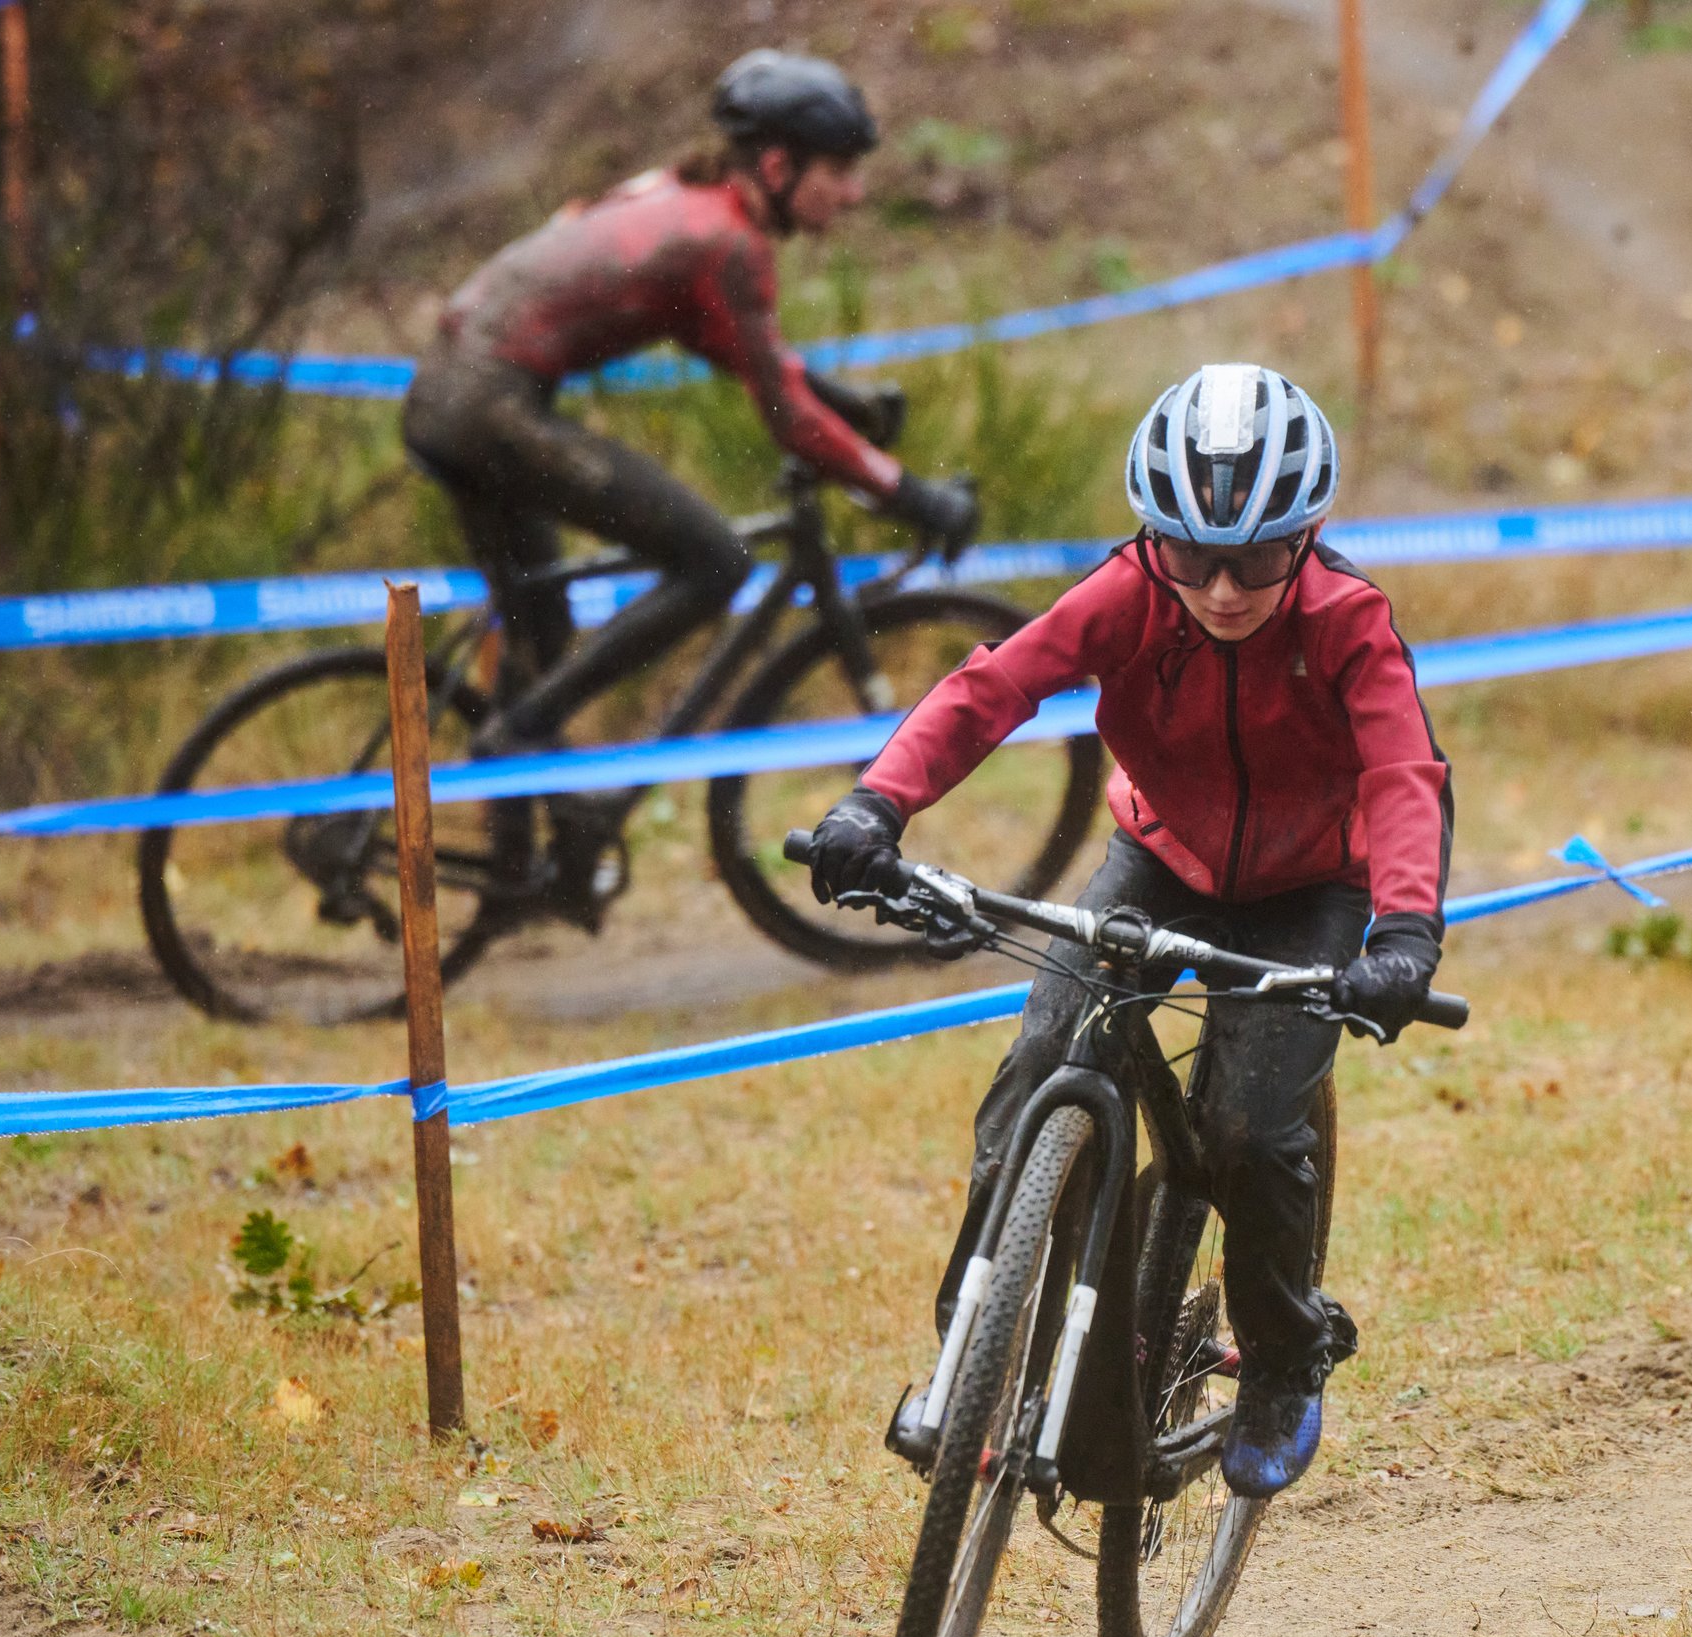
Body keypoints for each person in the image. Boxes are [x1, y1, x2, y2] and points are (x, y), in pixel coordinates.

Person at [804, 363, 1452, 1500]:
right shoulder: (1127, 594)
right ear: (1153, 539)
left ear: (1306, 537)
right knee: (1034, 1073)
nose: (1221, 589)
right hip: (1159, 860)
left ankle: (1284, 1354)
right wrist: (875, 805)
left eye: (1257, 559)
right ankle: (975, 1350)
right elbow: (990, 690)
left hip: (1311, 891)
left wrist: (1402, 934)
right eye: (1190, 556)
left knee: (1248, 1134)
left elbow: (1402, 775)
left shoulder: (1347, 622)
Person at [401, 50, 981, 923]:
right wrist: (912, 495)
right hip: (490, 406)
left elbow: (722, 337)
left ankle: (516, 876)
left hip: (454, 394)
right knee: (714, 560)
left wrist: (840, 400)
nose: (855, 194)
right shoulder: (730, 239)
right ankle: (518, 741)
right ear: (778, 166)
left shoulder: (682, 198)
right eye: (840, 172)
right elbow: (787, 419)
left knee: (541, 631)